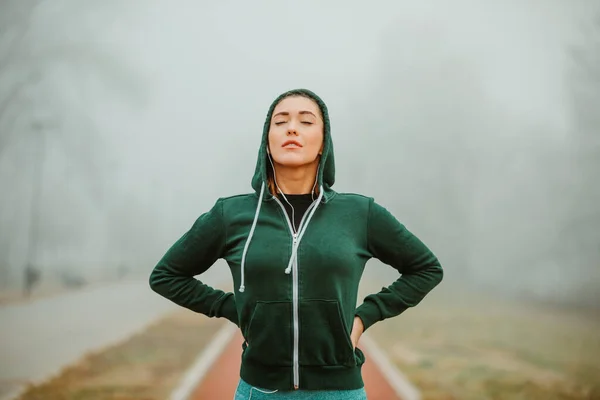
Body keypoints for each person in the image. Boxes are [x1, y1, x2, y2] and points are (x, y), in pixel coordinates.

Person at [149, 88, 444, 399]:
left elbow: (425, 268)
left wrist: (364, 317)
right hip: (259, 390)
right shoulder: (230, 214)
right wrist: (232, 308)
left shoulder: (359, 213)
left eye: (306, 121)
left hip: (339, 391)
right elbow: (166, 276)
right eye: (280, 121)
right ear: (267, 141)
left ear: (323, 143)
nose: (292, 128)